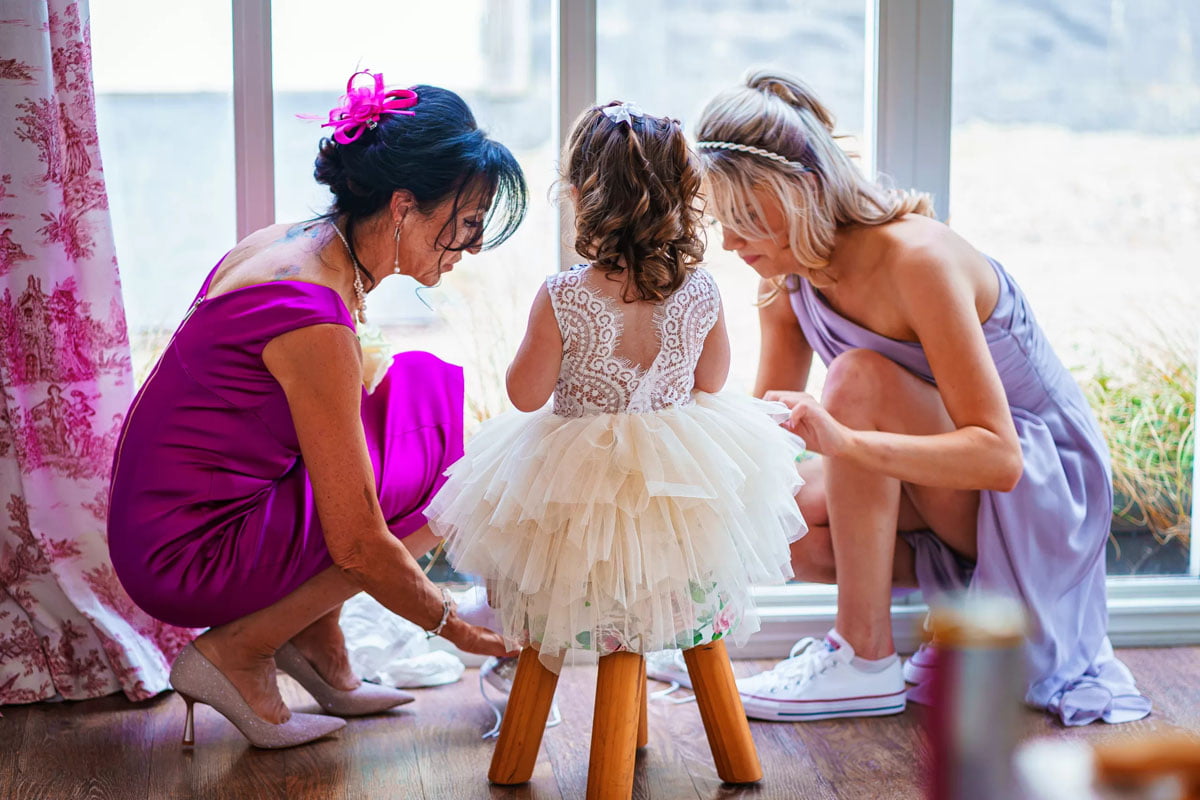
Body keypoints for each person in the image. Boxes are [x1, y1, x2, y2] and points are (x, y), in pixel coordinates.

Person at [684, 70, 1151, 726]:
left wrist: (846, 443)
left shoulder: (917, 262)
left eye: (746, 219)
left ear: (806, 189)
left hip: (1042, 490)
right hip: (941, 481)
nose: (731, 243)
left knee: (856, 381)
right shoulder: (787, 276)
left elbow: (999, 458)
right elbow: (769, 439)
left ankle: (863, 657)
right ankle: (703, 641)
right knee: (777, 520)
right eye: (720, 221)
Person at [107, 71, 526, 749]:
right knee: (447, 467)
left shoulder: (298, 243)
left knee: (420, 397)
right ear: (402, 206)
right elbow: (358, 543)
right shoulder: (313, 319)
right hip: (185, 554)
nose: (474, 245)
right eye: (467, 221)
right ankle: (239, 653)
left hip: (165, 520)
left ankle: (315, 633)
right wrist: (462, 629)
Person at [426, 102, 808, 676]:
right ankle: (724, 736)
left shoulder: (563, 295)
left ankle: (525, 734)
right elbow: (712, 381)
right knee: (681, 579)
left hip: (576, 485)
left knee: (561, 579)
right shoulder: (701, 291)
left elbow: (526, 396)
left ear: (579, 196)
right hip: (680, 477)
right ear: (683, 198)